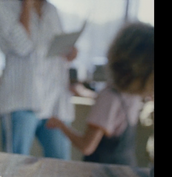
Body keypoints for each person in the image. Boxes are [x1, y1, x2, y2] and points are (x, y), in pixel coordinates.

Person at [46, 21, 154, 166]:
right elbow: (114, 112)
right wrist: (83, 92)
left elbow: (86, 147)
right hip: (126, 169)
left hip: (103, 176)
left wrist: (61, 126)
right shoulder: (133, 94)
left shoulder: (109, 96)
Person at [0, 0, 78, 159]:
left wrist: (70, 51)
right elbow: (22, 46)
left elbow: (56, 48)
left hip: (55, 102)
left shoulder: (51, 10)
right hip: (21, 100)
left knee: (60, 166)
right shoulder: (6, 5)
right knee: (15, 164)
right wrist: (27, 5)